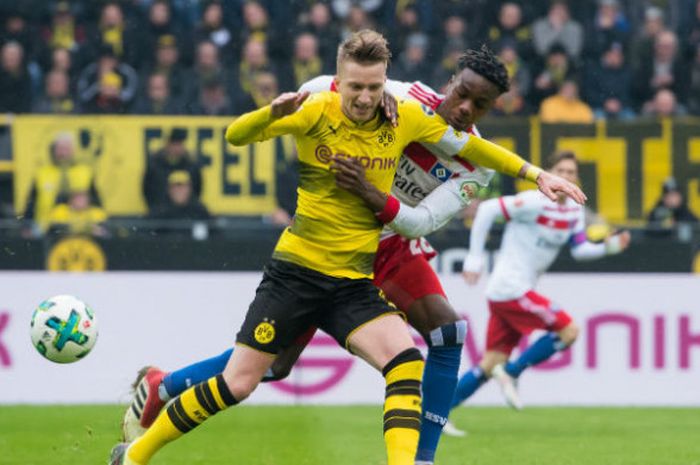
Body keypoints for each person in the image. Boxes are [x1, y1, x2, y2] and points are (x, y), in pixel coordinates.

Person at [109, 30, 584, 465]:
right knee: (269, 368)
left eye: (478, 105)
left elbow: (421, 222)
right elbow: (324, 88)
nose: (464, 108)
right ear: (450, 82)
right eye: (461, 94)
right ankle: (163, 385)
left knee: (447, 333)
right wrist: (316, 106)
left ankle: (422, 457)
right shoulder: (400, 97)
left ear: (490, 109)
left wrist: (530, 173)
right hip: (327, 243)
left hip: (392, 243)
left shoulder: (475, 167)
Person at [445, 151, 630, 436]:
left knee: (490, 362)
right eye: (561, 171)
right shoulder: (534, 201)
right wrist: (474, 259)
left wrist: (610, 247)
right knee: (569, 330)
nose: (566, 177)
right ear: (550, 173)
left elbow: (579, 249)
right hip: (509, 287)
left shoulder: (574, 210)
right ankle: (513, 371)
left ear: (577, 178)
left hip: (513, 290)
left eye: (571, 172)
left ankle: (437, 413)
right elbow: (486, 210)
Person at [142, 127, 202, 213]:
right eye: (175, 144)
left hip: (187, 213)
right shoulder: (155, 164)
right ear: (168, 144)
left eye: (179, 144)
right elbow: (147, 188)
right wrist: (155, 207)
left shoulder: (191, 165)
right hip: (161, 211)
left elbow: (197, 187)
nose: (177, 148)